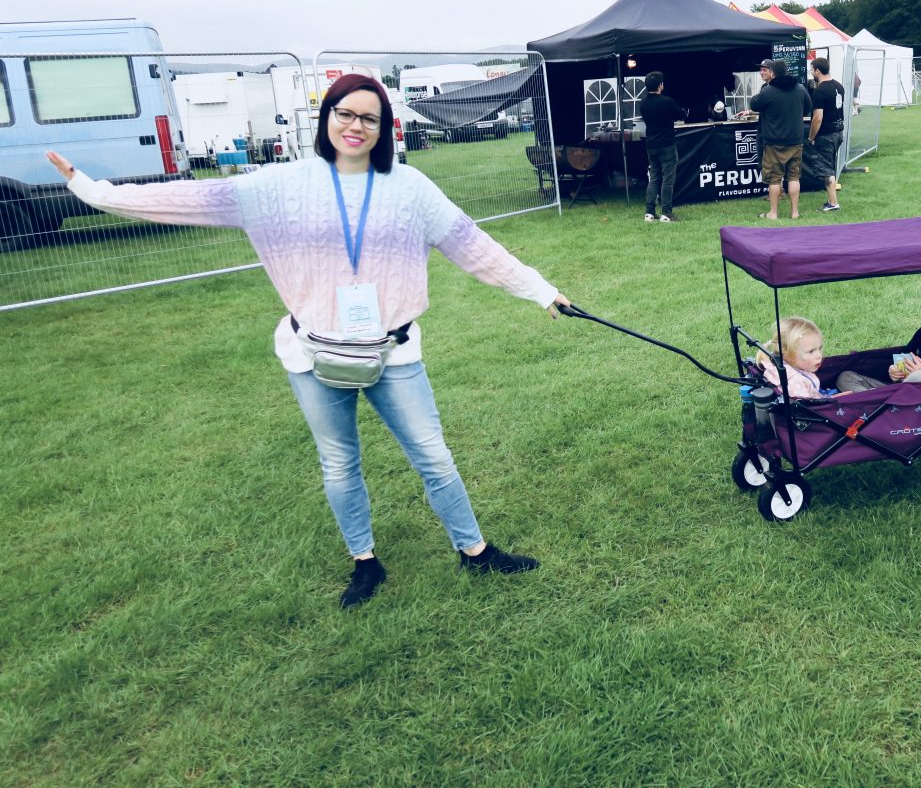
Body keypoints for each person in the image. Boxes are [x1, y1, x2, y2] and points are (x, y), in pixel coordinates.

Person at [45, 73, 571, 610]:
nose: (356, 126)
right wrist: (91, 190)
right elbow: (188, 198)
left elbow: (474, 246)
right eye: (345, 113)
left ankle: (475, 551)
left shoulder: (411, 188)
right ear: (327, 117)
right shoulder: (279, 185)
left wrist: (540, 291)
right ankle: (364, 562)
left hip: (393, 351)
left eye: (370, 117)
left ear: (384, 127)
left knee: (433, 457)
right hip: (313, 352)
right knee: (339, 462)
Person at [750, 58, 812, 220]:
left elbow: (754, 104)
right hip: (796, 141)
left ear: (773, 72)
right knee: (794, 177)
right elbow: (808, 107)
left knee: (774, 179)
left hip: (774, 143)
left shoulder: (768, 91)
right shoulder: (800, 89)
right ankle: (795, 212)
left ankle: (773, 213)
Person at [638, 71, 686, 222]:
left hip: (651, 145)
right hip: (667, 145)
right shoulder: (666, 101)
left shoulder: (643, 103)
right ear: (660, 85)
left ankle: (649, 212)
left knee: (654, 178)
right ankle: (666, 212)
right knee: (668, 179)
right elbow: (681, 114)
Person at [756, 316, 831, 400]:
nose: (819, 355)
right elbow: (812, 406)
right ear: (789, 355)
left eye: (820, 348)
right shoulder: (796, 382)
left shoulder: (779, 366)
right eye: (811, 351)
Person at [806, 57, 844, 213]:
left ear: (817, 71)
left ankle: (833, 203)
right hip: (838, 132)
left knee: (826, 169)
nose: (811, 72)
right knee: (831, 166)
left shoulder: (820, 90)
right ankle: (830, 200)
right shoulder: (839, 86)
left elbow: (818, 118)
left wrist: (811, 137)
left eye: (811, 69)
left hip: (826, 135)